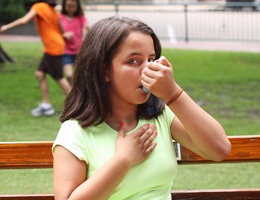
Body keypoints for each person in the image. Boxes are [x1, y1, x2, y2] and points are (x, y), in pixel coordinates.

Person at [52, 16, 231, 200]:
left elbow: (220, 149)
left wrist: (173, 94)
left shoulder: (160, 115)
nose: (148, 70)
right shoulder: (75, 132)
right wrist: (123, 160)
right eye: (133, 61)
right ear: (104, 71)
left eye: (151, 59)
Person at [0, 0, 71, 117]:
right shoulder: (53, 11)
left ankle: (80, 105)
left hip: (53, 47)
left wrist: (6, 26)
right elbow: (62, 30)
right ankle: (46, 106)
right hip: (54, 46)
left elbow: (24, 21)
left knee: (59, 77)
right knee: (39, 74)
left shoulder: (39, 6)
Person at [60, 0, 89, 83]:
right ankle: (73, 91)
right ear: (64, 6)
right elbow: (55, 34)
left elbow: (86, 27)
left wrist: (87, 28)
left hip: (79, 51)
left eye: (73, 6)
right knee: (69, 75)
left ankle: (79, 92)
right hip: (66, 52)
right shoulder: (60, 18)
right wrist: (64, 35)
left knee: (82, 75)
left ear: (77, 7)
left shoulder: (80, 18)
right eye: (68, 6)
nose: (71, 9)